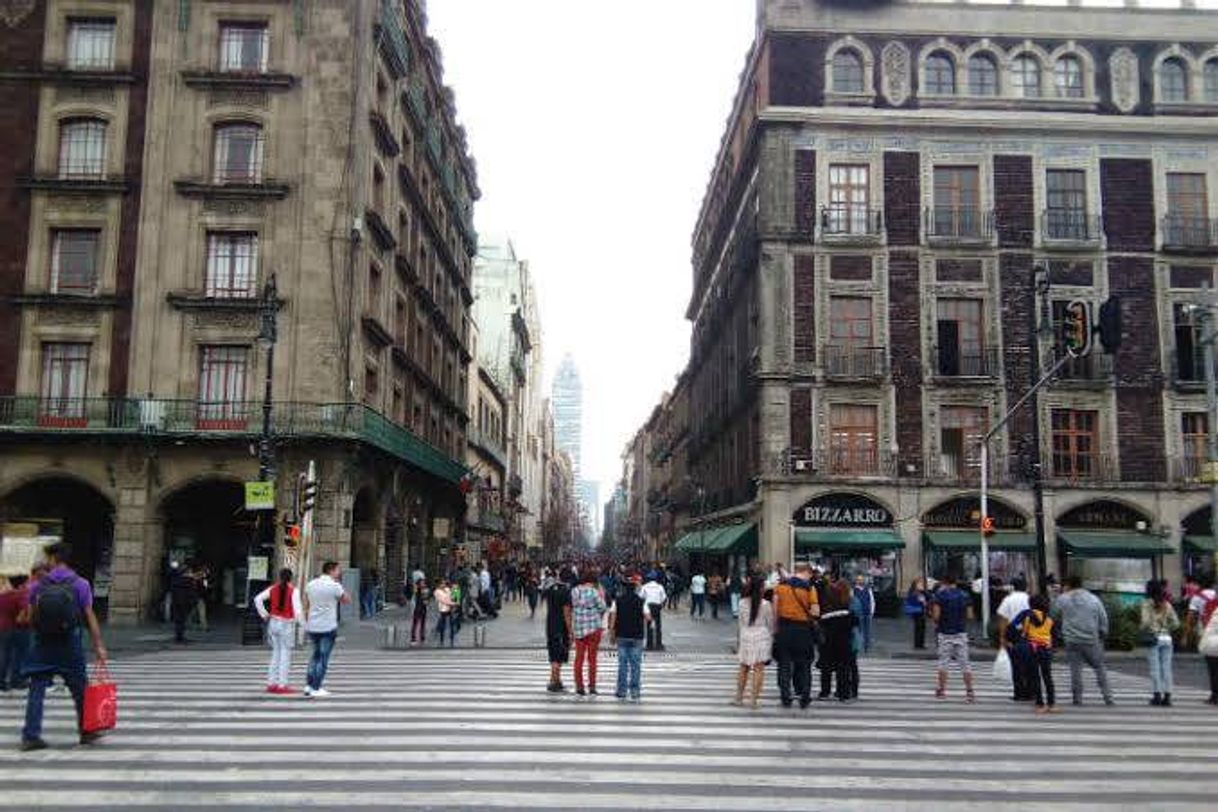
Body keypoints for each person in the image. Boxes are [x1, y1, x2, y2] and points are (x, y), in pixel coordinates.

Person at [20, 542, 108, 751]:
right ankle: (87, 732)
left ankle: (31, 735)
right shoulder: (81, 584)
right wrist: (98, 645)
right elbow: (89, 616)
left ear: (53, 559)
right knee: (80, 690)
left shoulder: (37, 586)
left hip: (42, 643)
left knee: (37, 689)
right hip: (70, 643)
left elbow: (29, 617)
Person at [1051, 574, 1114, 707]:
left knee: (1075, 669)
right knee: (1099, 667)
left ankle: (1077, 698)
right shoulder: (1093, 599)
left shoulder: (1063, 599)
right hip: (1091, 639)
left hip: (1071, 640)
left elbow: (1052, 615)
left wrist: (1057, 633)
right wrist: (1103, 633)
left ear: (1068, 584)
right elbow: (1103, 618)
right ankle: (1107, 697)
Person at [772, 562, 819, 709]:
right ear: (805, 572)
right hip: (803, 630)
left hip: (784, 628)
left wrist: (775, 630)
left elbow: (775, 610)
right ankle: (804, 697)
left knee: (784, 664)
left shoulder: (780, 588)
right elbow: (815, 611)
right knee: (805, 665)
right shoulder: (810, 588)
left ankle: (785, 697)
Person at [253, 568, 303, 695]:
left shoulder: (273, 588)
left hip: (273, 623)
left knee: (275, 653)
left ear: (280, 577)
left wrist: (264, 614)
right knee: (285, 655)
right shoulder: (294, 591)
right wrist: (303, 626)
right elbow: (298, 612)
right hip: (286, 624)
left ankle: (271, 683)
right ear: (291, 578)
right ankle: (282, 684)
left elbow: (257, 599)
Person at [303, 561, 349, 698]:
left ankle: (309, 685)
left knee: (315, 656)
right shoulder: (334, 586)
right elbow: (347, 600)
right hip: (328, 627)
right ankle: (316, 687)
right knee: (323, 658)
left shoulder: (310, 584)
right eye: (337, 570)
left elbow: (306, 604)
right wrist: (339, 587)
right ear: (331, 571)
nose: (339, 572)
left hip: (313, 625)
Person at [931, 574, 975, 703]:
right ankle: (969, 691)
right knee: (965, 663)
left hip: (944, 632)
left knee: (943, 662)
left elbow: (936, 616)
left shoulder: (939, 596)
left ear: (944, 582)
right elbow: (970, 615)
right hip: (960, 632)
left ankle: (941, 690)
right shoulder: (965, 595)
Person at [733, 574, 773, 709]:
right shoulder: (766, 604)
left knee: (743, 667)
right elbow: (770, 624)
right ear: (761, 588)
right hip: (761, 636)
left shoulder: (742, 602)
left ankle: (739, 697)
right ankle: (753, 700)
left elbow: (740, 623)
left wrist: (738, 641)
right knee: (758, 669)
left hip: (746, 635)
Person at [1140, 579, 1180, 707]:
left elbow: (1145, 622)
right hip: (1167, 638)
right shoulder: (1166, 604)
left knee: (1155, 668)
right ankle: (1167, 697)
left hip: (1154, 638)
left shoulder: (1147, 603)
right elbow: (1176, 623)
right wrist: (1166, 628)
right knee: (1167, 668)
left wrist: (1143, 628)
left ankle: (1157, 695)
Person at [1015, 594, 1057, 714]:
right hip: (1046, 649)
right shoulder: (1049, 619)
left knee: (1035, 677)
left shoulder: (1028, 617)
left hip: (1032, 649)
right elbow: (1053, 635)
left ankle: (1040, 704)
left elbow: (1023, 633)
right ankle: (1051, 704)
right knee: (1047, 676)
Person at [818, 579, 857, 703]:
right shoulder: (847, 613)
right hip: (844, 643)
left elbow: (821, 626)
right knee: (843, 668)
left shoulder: (825, 615)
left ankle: (825, 691)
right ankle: (843, 692)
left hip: (828, 643)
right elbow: (855, 623)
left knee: (826, 668)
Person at [609, 574, 648, 701]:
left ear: (624, 589)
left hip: (622, 635)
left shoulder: (618, 601)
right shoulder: (641, 601)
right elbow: (648, 617)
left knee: (623, 665)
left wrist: (612, 634)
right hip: (637, 636)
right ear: (635, 589)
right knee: (636, 665)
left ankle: (621, 691)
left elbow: (613, 619)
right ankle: (635, 692)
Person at [570, 570, 607, 696]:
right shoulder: (594, 592)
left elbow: (571, 606)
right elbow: (603, 607)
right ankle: (592, 686)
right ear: (593, 582)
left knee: (579, 658)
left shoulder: (574, 591)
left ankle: (579, 686)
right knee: (592, 659)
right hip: (593, 628)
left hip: (579, 628)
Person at [997, 576, 1032, 702]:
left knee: (1016, 666)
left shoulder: (1008, 599)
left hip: (1013, 636)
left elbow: (1003, 619)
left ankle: (1019, 693)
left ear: (1013, 587)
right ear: (1026, 587)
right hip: (1029, 635)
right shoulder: (1029, 599)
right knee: (1029, 665)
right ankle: (1030, 692)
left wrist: (1002, 637)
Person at [543, 569, 574, 693]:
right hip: (560, 627)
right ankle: (555, 683)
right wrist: (570, 630)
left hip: (550, 624)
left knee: (553, 653)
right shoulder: (566, 592)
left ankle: (554, 680)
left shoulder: (550, 589)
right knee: (558, 656)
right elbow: (566, 612)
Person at [0, 574, 31, 692]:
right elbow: (23, 611)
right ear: (22, 584)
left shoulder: (3, 596)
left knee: (4, 655)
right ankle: (16, 680)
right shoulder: (21, 596)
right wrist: (23, 619)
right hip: (16, 628)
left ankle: (1, 681)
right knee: (19, 655)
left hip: (2, 628)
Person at [1198, 589, 1218, 705]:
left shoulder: (1212, 607)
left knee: (1213, 671)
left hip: (1210, 644)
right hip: (1214, 644)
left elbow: (1205, 621)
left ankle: (1214, 695)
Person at [639, 572, 667, 651]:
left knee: (649, 625)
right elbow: (664, 597)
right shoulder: (660, 587)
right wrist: (661, 604)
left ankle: (649, 644)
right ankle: (658, 644)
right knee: (658, 625)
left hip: (648, 606)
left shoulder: (645, 587)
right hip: (657, 606)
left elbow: (641, 597)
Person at [852, 574, 875, 654]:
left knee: (867, 630)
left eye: (861, 579)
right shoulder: (854, 590)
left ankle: (867, 645)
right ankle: (859, 646)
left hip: (867, 612)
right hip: (858, 613)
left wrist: (872, 611)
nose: (860, 581)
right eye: (858, 579)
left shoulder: (868, 590)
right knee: (859, 630)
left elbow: (872, 601)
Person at [905, 577, 929, 650]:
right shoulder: (914, 593)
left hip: (921, 611)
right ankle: (918, 644)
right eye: (920, 584)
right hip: (917, 611)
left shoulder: (922, 592)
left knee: (922, 627)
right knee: (918, 627)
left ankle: (921, 643)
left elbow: (928, 599)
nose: (921, 585)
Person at [433, 579, 457, 646]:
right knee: (443, 625)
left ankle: (452, 639)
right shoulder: (436, 592)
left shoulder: (447, 589)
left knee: (452, 624)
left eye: (444, 583)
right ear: (438, 585)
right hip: (443, 609)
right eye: (442, 584)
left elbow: (453, 594)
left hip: (450, 609)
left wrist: (454, 589)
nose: (443, 585)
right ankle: (441, 639)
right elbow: (443, 600)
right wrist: (453, 603)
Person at [410, 578, 430, 646]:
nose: (423, 584)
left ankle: (422, 637)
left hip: (423, 608)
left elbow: (427, 599)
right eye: (422, 583)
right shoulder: (417, 590)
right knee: (415, 623)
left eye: (424, 583)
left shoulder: (425, 590)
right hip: (417, 608)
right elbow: (415, 596)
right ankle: (413, 638)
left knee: (422, 623)